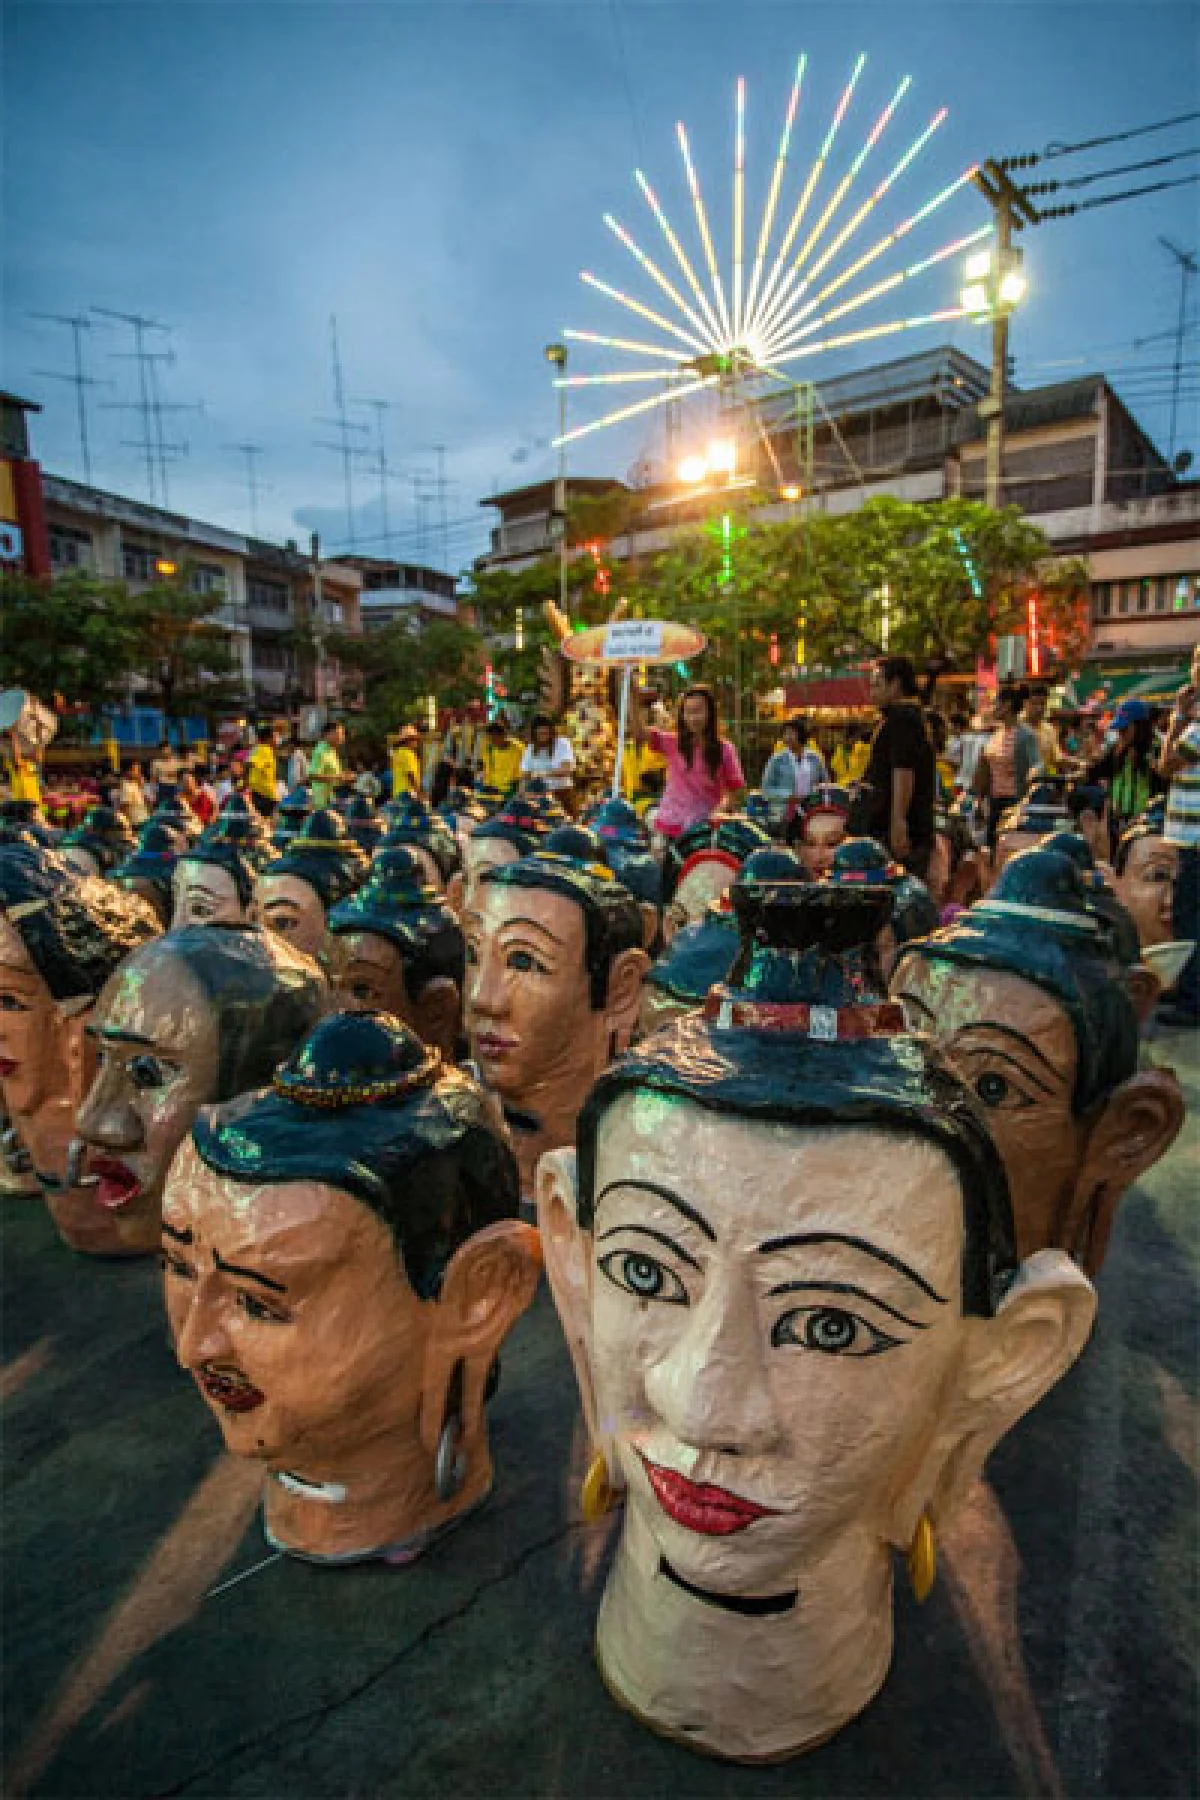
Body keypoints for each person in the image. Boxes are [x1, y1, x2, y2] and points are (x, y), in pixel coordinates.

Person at [855, 657, 936, 875]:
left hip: (902, 830)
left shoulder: (903, 719)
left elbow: (903, 771)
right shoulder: (901, 718)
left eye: (877, 685)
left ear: (896, 685)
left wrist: (898, 822)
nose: (872, 693)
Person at [637, 685, 744, 840]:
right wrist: (632, 694)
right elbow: (639, 733)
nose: (693, 718)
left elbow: (733, 791)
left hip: (704, 829)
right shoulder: (672, 742)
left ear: (710, 713)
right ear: (682, 716)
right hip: (668, 825)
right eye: (688, 712)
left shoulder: (726, 749)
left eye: (698, 710)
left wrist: (720, 809)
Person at [1156, 650, 1200, 1025]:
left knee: (1190, 919)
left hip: (1195, 838)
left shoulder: (1196, 727)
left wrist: (1177, 717)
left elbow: (1166, 764)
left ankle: (1191, 1000)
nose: (1193, 673)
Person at [1088, 698, 1161, 847]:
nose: (1120, 734)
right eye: (1119, 730)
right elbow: (1097, 772)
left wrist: (1144, 816)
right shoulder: (1117, 750)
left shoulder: (1157, 750)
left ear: (1140, 726)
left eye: (1124, 729)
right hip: (1117, 823)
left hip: (1146, 825)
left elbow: (1162, 788)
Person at [976, 685, 1039, 851]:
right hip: (994, 801)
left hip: (1014, 802)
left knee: (1007, 850)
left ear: (1008, 705)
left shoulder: (1026, 735)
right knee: (990, 847)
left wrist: (1032, 777)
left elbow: (1037, 765)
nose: (994, 708)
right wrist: (980, 798)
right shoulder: (996, 734)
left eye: (997, 703)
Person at [761, 715, 826, 824]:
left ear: (802, 735)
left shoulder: (815, 758)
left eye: (791, 733)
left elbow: (825, 785)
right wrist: (787, 796)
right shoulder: (777, 759)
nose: (787, 737)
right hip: (783, 814)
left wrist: (815, 797)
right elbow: (766, 789)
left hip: (811, 813)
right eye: (785, 734)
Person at [520, 715, 576, 800]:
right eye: (540, 734)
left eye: (546, 733)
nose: (544, 737)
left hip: (562, 792)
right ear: (534, 734)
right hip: (539, 794)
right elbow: (525, 776)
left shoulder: (562, 743)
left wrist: (541, 774)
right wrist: (523, 792)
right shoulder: (530, 748)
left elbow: (566, 769)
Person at [1023, 687, 1062, 774]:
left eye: (1042, 704)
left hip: (1043, 781)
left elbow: (1056, 759)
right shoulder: (1016, 726)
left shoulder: (1050, 729)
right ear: (1025, 703)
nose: (1039, 708)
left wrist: (1078, 763)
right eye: (1034, 704)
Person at [309, 721, 347, 810]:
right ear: (328, 734)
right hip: (322, 802)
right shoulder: (320, 751)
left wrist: (344, 777)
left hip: (331, 798)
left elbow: (334, 776)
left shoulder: (332, 751)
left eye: (342, 734)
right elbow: (312, 775)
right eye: (339, 734)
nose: (342, 738)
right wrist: (338, 777)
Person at [480, 719, 523, 795]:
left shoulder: (518, 749)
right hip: (492, 790)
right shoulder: (488, 749)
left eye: (494, 738)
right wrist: (487, 786)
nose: (492, 742)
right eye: (489, 739)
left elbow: (521, 774)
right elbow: (487, 771)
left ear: (504, 735)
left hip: (512, 790)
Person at [247, 725, 280, 820]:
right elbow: (250, 764)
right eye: (275, 737)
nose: (277, 740)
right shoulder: (263, 749)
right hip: (263, 795)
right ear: (268, 739)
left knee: (266, 823)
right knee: (265, 823)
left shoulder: (266, 750)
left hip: (265, 794)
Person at [390, 725, 423, 799]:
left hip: (397, 794)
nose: (416, 742)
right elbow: (411, 775)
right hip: (408, 794)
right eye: (414, 739)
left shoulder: (397, 753)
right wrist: (420, 794)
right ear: (407, 741)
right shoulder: (408, 754)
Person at [116, 761, 148, 827]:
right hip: (136, 823)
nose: (139, 773)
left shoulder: (135, 784)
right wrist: (128, 825)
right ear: (129, 772)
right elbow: (124, 808)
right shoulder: (126, 787)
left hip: (144, 819)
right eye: (137, 770)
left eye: (139, 770)